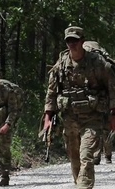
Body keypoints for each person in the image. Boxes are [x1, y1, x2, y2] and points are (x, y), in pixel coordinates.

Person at [43, 26, 115, 189]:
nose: (72, 44)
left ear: (82, 41)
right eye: (69, 41)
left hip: (92, 117)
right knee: (74, 158)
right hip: (70, 118)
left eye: (75, 40)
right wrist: (48, 117)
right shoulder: (61, 64)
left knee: (87, 156)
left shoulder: (98, 63)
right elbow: (52, 91)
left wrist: (113, 114)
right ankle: (80, 184)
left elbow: (112, 88)